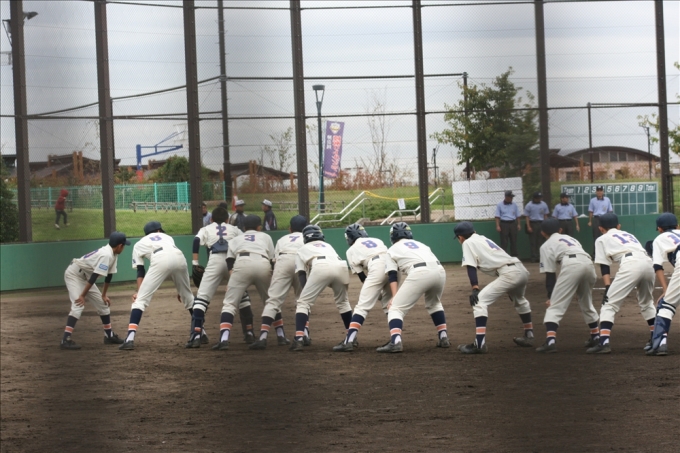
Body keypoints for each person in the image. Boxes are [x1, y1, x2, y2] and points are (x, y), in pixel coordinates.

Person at [454, 221, 534, 354]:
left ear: (460, 237)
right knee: (519, 300)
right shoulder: (483, 238)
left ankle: (479, 344)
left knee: (479, 301)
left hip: (509, 273)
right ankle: (529, 335)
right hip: (521, 269)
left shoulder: (467, 243)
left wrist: (475, 288)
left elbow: (471, 266)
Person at [184, 206, 254, 348]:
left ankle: (196, 335)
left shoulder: (206, 228)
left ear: (211, 219)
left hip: (214, 260)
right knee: (242, 297)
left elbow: (196, 241)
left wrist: (195, 263)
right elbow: (245, 242)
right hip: (232, 261)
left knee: (202, 298)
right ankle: (249, 333)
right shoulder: (234, 229)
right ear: (227, 219)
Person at [119, 221, 194, 350]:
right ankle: (201, 332)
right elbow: (173, 260)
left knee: (139, 301)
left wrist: (139, 292)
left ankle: (130, 339)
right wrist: (181, 289)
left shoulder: (139, 244)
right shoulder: (168, 237)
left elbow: (140, 270)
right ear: (159, 231)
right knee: (188, 296)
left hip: (159, 258)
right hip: (180, 257)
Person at [587, 213, 655, 354]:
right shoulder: (628, 234)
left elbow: (604, 265)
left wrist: (607, 287)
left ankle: (603, 342)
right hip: (649, 263)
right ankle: (657, 338)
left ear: (600, 228)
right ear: (618, 226)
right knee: (647, 303)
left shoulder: (601, 239)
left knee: (609, 304)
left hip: (631, 264)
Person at [375, 222, 448, 353]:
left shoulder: (391, 250)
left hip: (420, 272)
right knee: (435, 304)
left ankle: (395, 342)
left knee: (395, 308)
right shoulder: (422, 244)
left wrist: (394, 297)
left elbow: (392, 275)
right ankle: (443, 337)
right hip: (440, 271)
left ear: (392, 237)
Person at [535, 218, 599, 353]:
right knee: (586, 302)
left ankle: (550, 341)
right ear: (560, 230)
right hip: (589, 264)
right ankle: (596, 336)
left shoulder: (546, 246)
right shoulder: (571, 239)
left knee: (555, 305)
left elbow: (550, 274)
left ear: (542, 232)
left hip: (571, 265)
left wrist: (551, 297)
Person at [212, 215, 275, 350]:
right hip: (263, 263)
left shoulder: (236, 239)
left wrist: (232, 280)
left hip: (242, 264)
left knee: (229, 304)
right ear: (259, 227)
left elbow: (229, 261)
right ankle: (280, 336)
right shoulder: (265, 236)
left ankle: (223, 340)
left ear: (244, 228)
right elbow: (272, 260)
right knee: (271, 301)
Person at [59, 232, 130, 350]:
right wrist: (82, 295)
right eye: (123, 245)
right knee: (78, 305)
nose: (124, 248)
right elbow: (94, 277)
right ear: (119, 246)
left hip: (85, 277)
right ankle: (65, 339)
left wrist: (104, 295)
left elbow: (109, 275)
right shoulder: (106, 255)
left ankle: (109, 336)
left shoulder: (113, 254)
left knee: (103, 304)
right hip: (74, 274)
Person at [289, 225, 353, 352]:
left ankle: (299, 339)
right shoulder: (328, 245)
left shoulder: (301, 249)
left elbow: (301, 274)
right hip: (341, 266)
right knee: (343, 302)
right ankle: (351, 337)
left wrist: (306, 293)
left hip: (320, 266)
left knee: (303, 303)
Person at [249, 215, 309, 350]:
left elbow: (274, 260)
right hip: (301, 262)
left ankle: (263, 337)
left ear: (290, 228)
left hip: (283, 260)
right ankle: (304, 334)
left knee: (273, 300)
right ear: (305, 228)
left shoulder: (282, 239)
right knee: (302, 300)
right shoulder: (307, 237)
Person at [333, 223, 391, 352]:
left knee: (362, 307)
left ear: (349, 238)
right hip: (393, 266)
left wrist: (375, 293)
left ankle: (349, 341)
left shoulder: (350, 250)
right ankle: (396, 339)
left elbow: (362, 277)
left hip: (376, 266)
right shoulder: (377, 240)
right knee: (390, 305)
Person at [646, 212, 679, 356]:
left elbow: (658, 266)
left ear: (659, 228)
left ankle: (660, 344)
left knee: (665, 306)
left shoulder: (659, 238)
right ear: (677, 226)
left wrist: (666, 290)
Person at [524, 192, 550, 262]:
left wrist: (546, 225)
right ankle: (534, 257)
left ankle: (540, 257)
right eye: (538, 198)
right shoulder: (529, 205)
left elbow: (545, 215)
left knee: (541, 241)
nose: (539, 199)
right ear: (534, 198)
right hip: (533, 223)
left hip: (541, 223)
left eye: (540, 198)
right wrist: (528, 226)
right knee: (533, 241)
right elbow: (527, 217)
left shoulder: (543, 204)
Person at [494, 190, 521, 257]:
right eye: (510, 197)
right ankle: (504, 256)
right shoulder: (500, 205)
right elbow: (497, 216)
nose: (511, 198)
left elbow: (517, 216)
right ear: (506, 197)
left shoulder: (514, 204)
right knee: (504, 241)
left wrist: (518, 224)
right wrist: (497, 226)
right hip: (504, 223)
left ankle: (514, 256)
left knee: (513, 240)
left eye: (512, 197)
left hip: (512, 223)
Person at [588, 185, 613, 252]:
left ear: (603, 192)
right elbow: (591, 212)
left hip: (605, 218)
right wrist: (590, 221)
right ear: (596, 192)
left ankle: (608, 252)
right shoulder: (592, 200)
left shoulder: (607, 200)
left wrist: (609, 220)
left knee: (606, 236)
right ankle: (595, 254)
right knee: (596, 237)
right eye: (598, 191)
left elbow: (610, 211)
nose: (599, 192)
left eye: (600, 190)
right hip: (596, 219)